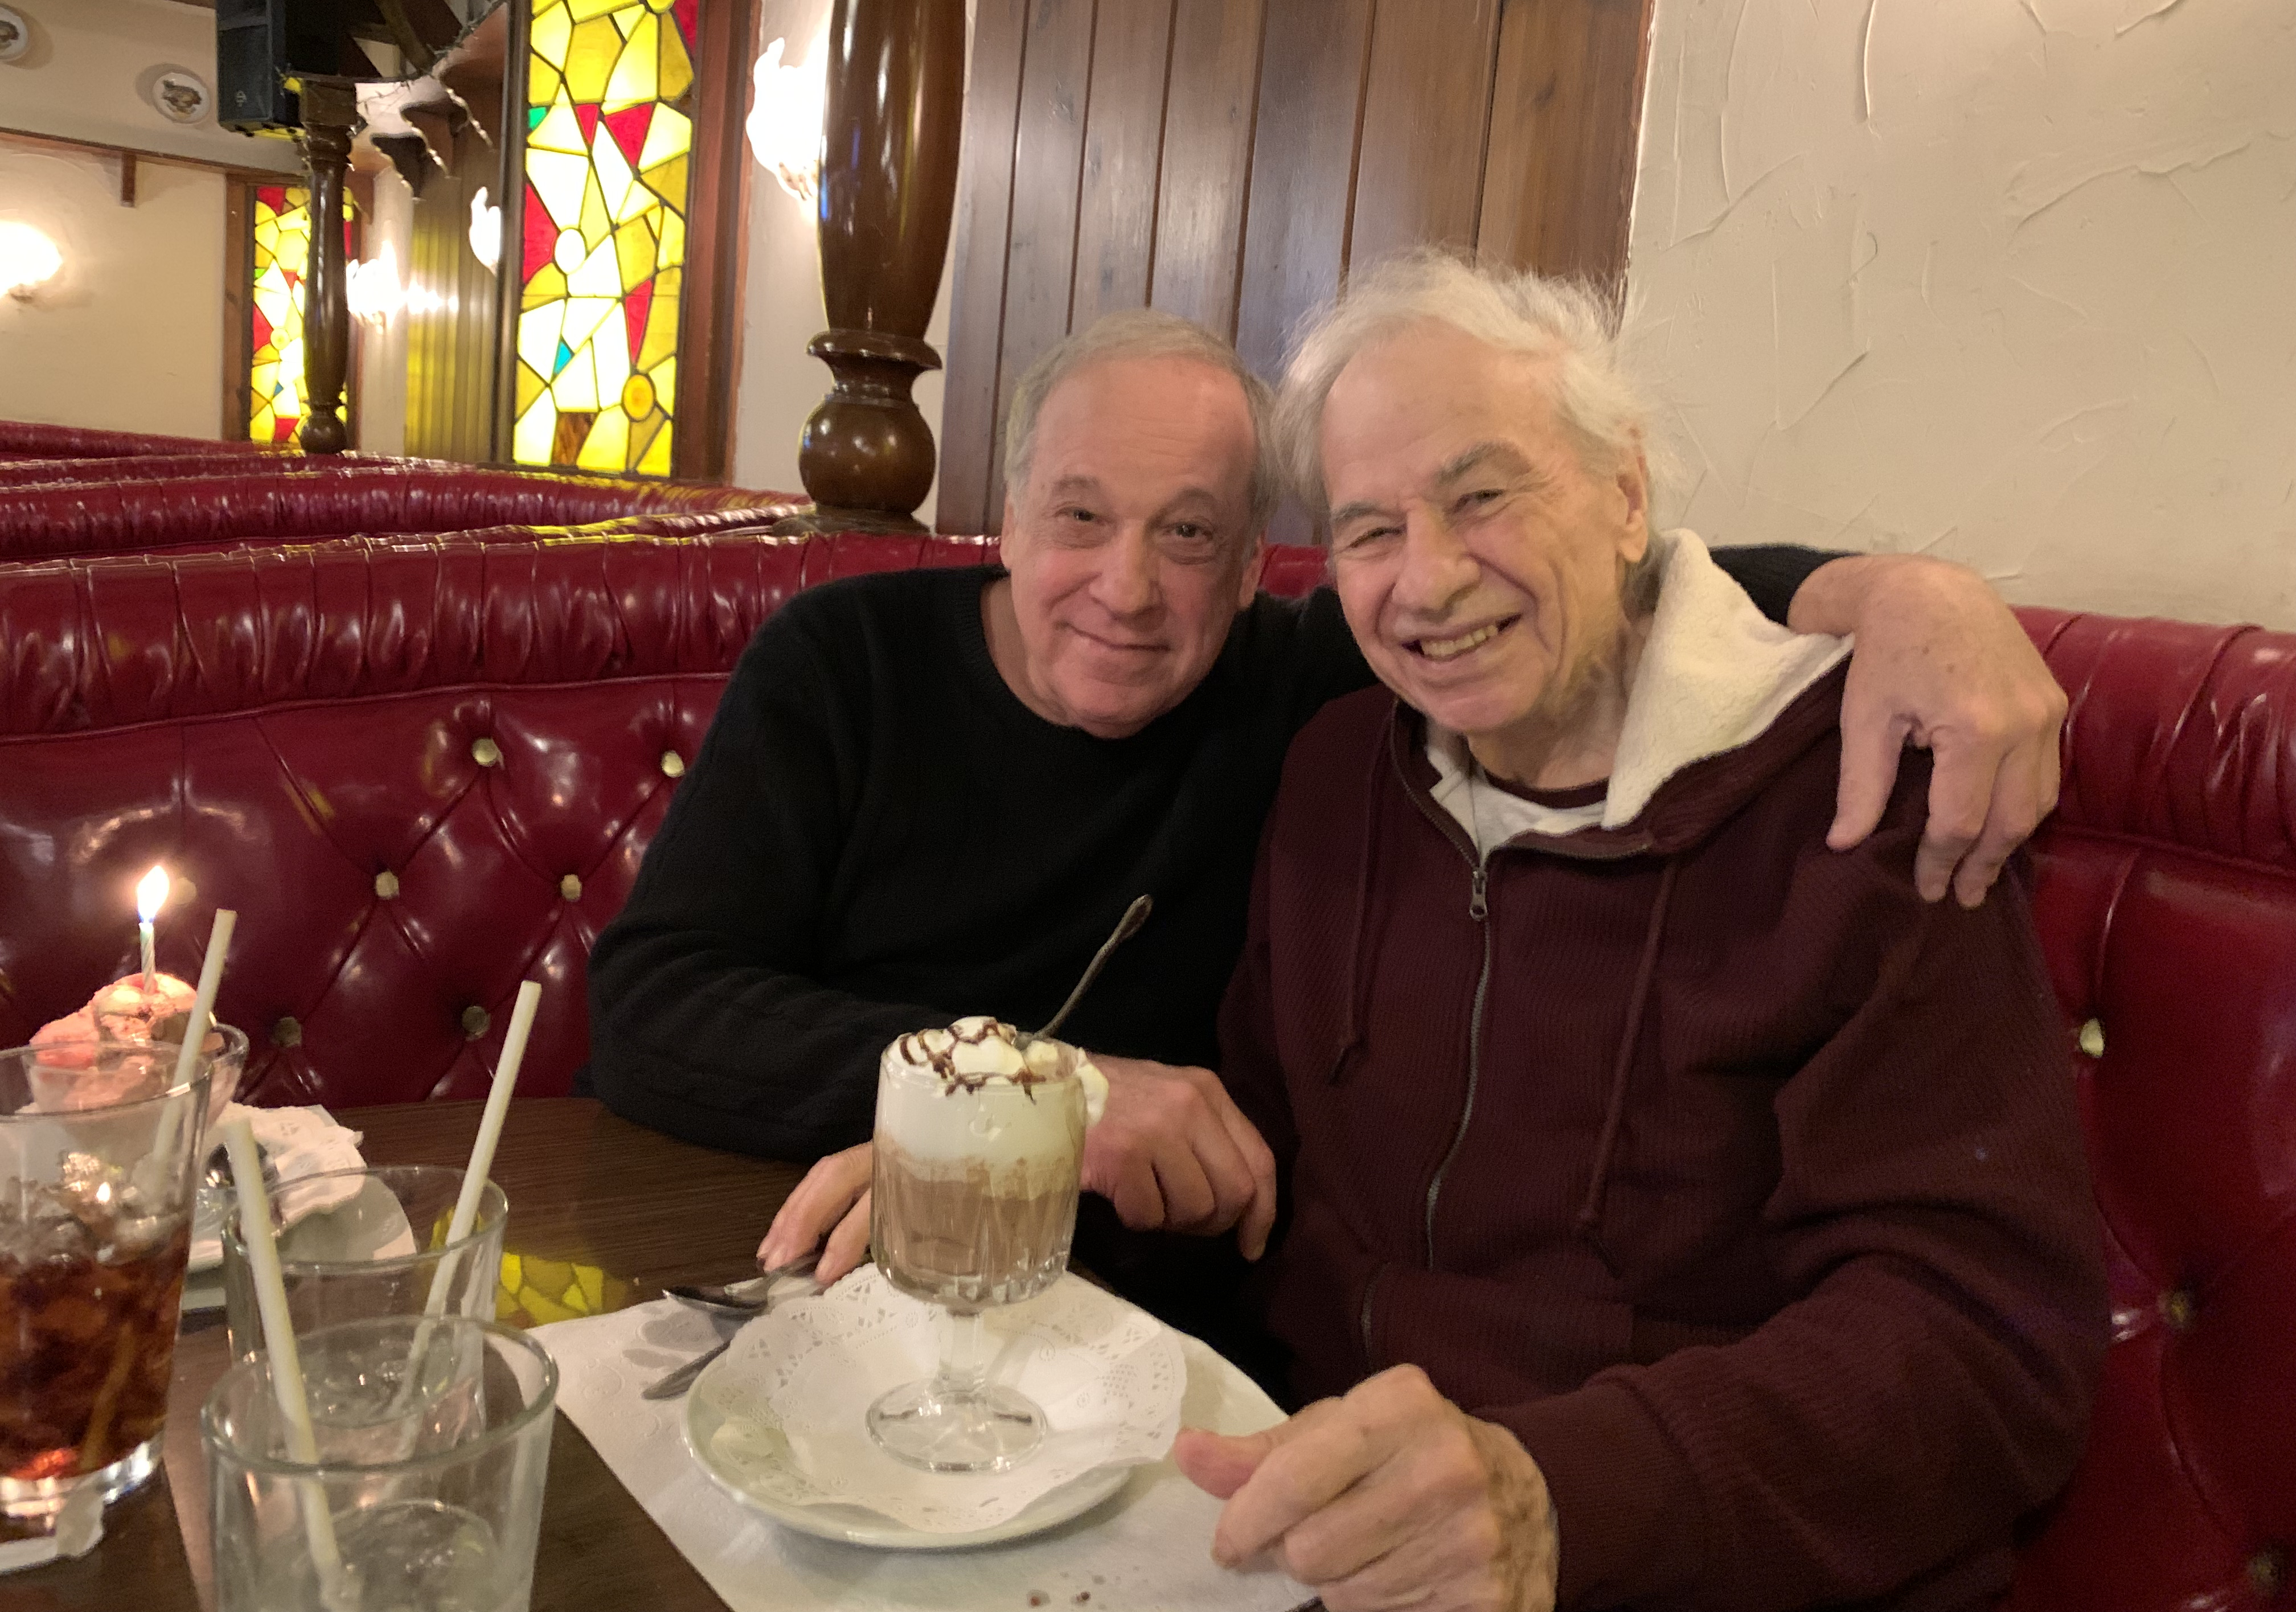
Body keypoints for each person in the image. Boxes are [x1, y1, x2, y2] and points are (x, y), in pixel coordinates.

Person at [586, 309, 2068, 1297]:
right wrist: (1035, 1099)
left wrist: (1905, 594)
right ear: (1009, 520)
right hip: (797, 1236)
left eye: (1189, 536)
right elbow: (653, 1010)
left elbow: (1590, 586)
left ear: (1254, 572)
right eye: (1081, 517)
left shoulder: (1301, 680)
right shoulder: (843, 665)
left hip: (1117, 1308)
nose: (1126, 588)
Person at [1176, 255, 2108, 1611]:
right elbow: (1250, 1165)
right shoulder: (1337, 773)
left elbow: (1985, 1347)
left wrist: (1559, 1497)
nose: (1427, 580)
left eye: (1483, 496)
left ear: (1625, 498)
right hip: (1316, 1529)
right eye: (1370, 530)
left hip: (1661, 1564)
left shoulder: (1856, 807)